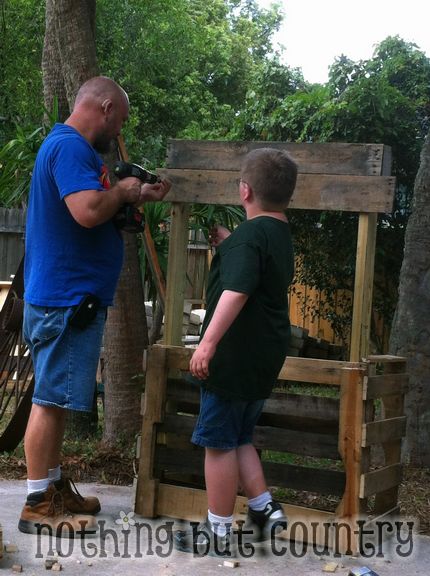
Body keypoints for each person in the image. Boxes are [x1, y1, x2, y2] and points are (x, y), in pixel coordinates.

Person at [19, 76, 171, 536]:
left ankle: (53, 487)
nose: (117, 129)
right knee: (48, 401)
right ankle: (37, 506)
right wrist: (123, 192)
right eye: (119, 119)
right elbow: (87, 210)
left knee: (58, 399)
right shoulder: (68, 148)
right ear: (104, 107)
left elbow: (95, 211)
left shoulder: (73, 152)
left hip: (70, 300)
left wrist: (134, 195)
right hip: (65, 301)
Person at [174, 147, 297, 556]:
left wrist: (206, 343)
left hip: (235, 353)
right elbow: (257, 272)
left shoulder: (250, 237)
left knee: (218, 442)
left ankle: (218, 532)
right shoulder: (278, 234)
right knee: (240, 433)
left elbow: (239, 289)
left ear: (245, 190)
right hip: (265, 353)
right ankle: (264, 509)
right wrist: (231, 245)